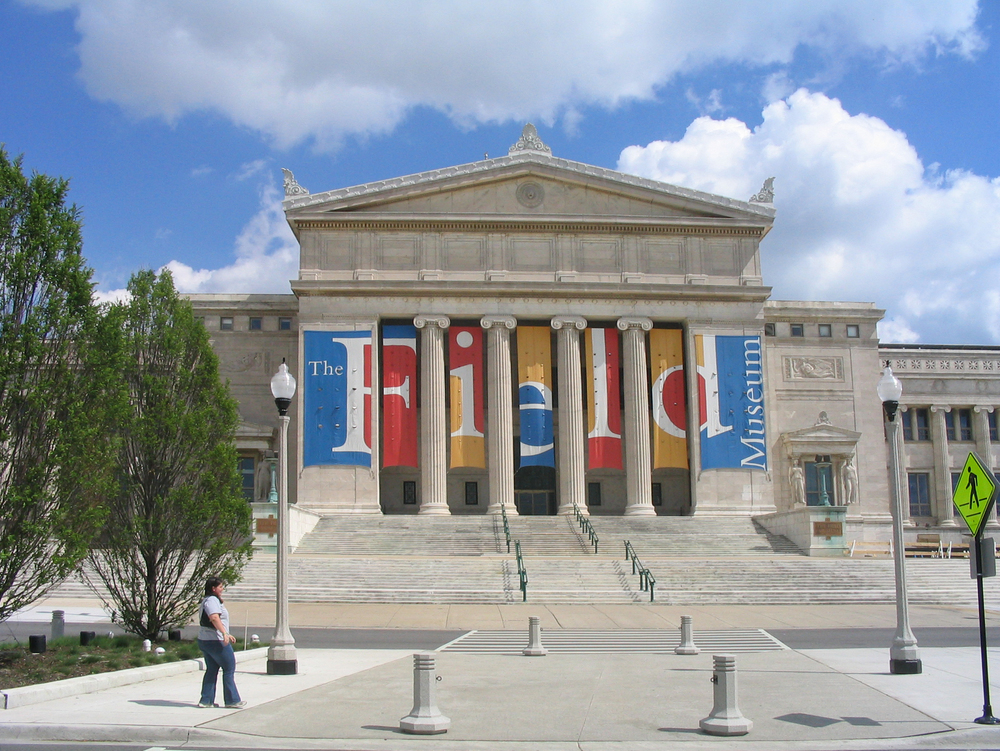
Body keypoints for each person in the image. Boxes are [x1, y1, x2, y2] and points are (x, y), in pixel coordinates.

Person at [197, 576, 246, 708]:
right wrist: (224, 633)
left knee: (212, 669)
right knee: (229, 668)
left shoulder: (207, 600)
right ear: (213, 588)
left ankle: (206, 700)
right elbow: (214, 617)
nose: (222, 589)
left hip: (205, 640)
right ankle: (232, 700)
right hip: (215, 640)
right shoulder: (212, 600)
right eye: (220, 587)